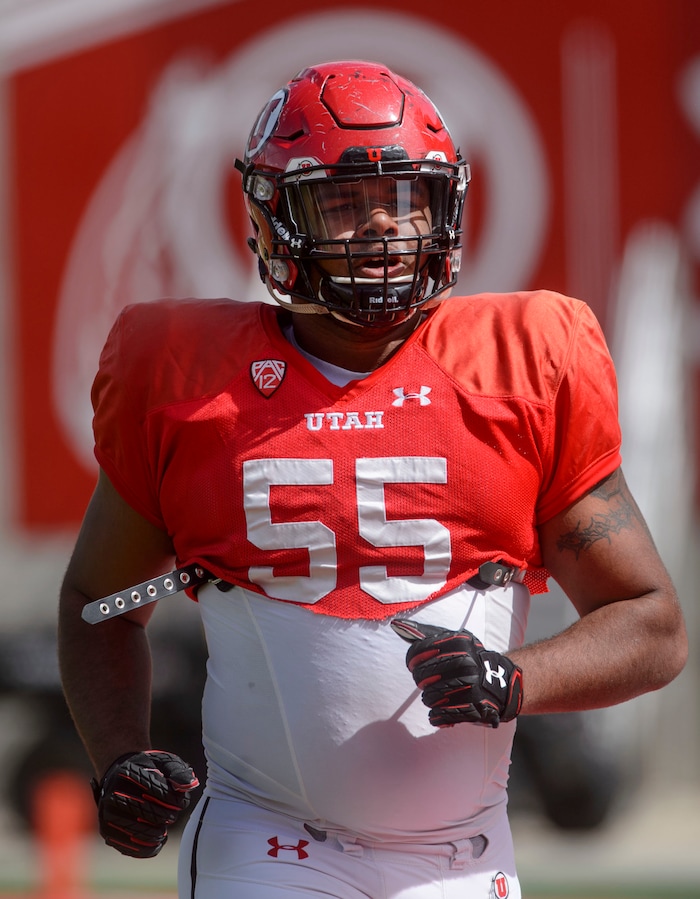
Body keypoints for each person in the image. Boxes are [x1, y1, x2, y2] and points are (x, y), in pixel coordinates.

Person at [58, 60, 687, 899]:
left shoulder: (524, 363)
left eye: (406, 198)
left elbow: (652, 623)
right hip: (266, 835)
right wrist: (119, 757)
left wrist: (517, 677)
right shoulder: (185, 380)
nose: (382, 228)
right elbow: (99, 607)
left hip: (464, 854)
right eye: (346, 203)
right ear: (275, 218)